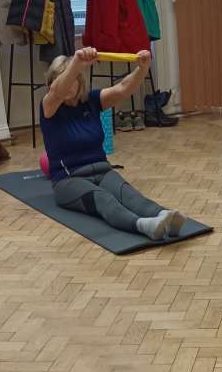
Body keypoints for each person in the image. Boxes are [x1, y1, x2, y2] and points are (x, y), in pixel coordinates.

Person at [40, 47, 187, 240]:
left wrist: (142, 68)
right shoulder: (49, 107)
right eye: (60, 78)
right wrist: (76, 62)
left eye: (72, 78)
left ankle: (163, 215)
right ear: (52, 83)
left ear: (80, 81)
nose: (67, 84)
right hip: (68, 180)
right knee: (104, 199)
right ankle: (143, 226)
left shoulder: (91, 101)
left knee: (129, 194)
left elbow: (123, 88)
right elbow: (58, 91)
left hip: (102, 170)